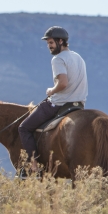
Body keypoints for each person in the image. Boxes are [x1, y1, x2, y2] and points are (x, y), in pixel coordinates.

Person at [18, 26, 87, 173]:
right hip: (79, 105)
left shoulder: (58, 59)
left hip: (59, 104)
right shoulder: (78, 57)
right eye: (48, 43)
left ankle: (33, 166)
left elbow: (62, 83)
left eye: (51, 43)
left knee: (24, 128)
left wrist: (51, 90)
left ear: (60, 41)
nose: (49, 46)